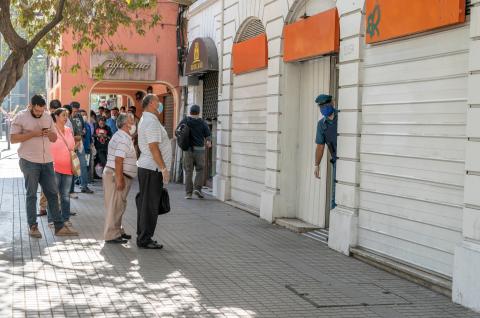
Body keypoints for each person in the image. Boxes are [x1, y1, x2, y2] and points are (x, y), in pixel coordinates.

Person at [10, 95, 78, 237]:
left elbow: (54, 137)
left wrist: (49, 134)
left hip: (47, 161)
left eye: (42, 111)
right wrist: (33, 134)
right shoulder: (21, 117)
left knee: (53, 194)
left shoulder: (47, 117)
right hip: (29, 161)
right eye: (37, 111)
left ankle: (59, 227)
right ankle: (33, 227)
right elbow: (13, 138)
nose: (40, 113)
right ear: (31, 106)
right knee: (31, 194)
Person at [136, 94, 172, 249]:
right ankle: (145, 238)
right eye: (158, 101)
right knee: (150, 206)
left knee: (146, 204)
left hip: (148, 168)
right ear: (151, 103)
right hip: (152, 169)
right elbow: (153, 147)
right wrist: (163, 168)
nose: (160, 104)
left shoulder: (148, 119)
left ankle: (143, 236)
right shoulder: (151, 122)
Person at [103, 113, 137, 243]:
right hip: (117, 174)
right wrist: (119, 178)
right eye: (131, 121)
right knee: (115, 206)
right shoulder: (123, 138)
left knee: (117, 205)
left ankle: (118, 230)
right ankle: (112, 235)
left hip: (115, 173)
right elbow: (118, 160)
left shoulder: (122, 136)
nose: (133, 124)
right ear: (125, 124)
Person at [50, 108, 78, 228]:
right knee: (53, 194)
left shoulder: (68, 130)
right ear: (56, 116)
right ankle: (52, 219)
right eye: (63, 115)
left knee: (65, 195)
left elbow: (72, 146)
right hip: (54, 167)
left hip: (68, 167)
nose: (66, 117)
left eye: (66, 115)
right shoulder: (51, 130)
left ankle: (65, 218)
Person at [177, 104, 211, 199]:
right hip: (200, 150)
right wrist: (208, 142)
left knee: (188, 171)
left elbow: (178, 131)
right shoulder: (202, 122)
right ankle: (197, 189)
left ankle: (188, 193)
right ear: (199, 112)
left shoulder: (185, 120)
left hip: (188, 150)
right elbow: (208, 135)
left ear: (190, 112)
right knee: (200, 170)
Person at [38, 99, 62, 216]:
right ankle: (47, 207)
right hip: (48, 156)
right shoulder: (46, 119)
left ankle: (49, 207)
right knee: (49, 183)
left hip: (54, 157)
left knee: (50, 184)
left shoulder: (60, 121)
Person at [314, 94, 337, 209]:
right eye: (321, 107)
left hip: (350, 160)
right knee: (336, 195)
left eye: (326, 105)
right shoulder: (321, 125)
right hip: (336, 161)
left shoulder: (342, 116)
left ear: (332, 102)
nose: (324, 108)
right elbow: (320, 147)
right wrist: (317, 165)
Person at [70, 102, 94, 194]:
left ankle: (84, 186)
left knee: (83, 165)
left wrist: (83, 133)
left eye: (77, 111)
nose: (75, 113)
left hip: (80, 144)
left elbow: (83, 128)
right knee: (71, 167)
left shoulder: (80, 116)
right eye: (74, 111)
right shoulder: (67, 117)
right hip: (71, 144)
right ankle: (70, 189)